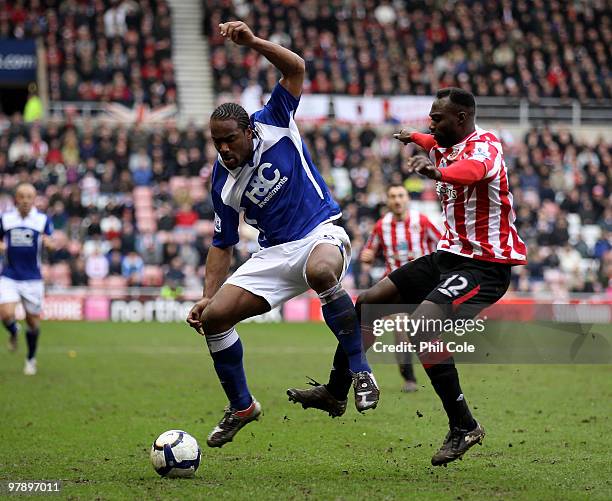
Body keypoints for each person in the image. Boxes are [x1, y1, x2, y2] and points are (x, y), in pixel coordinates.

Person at [289, 88, 527, 466]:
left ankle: (464, 425)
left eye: (438, 117)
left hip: (485, 266)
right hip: (447, 257)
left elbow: (473, 171)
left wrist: (438, 172)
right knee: (366, 303)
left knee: (421, 328)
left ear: (462, 119)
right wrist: (413, 137)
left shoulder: (485, 146)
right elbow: (432, 140)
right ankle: (335, 392)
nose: (431, 124)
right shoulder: (444, 141)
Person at [186, 21, 379, 448]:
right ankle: (242, 406)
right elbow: (222, 244)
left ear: (248, 130)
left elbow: (296, 68)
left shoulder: (274, 119)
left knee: (324, 271)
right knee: (214, 319)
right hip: (273, 254)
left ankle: (361, 371)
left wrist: (253, 42)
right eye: (216, 142)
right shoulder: (222, 181)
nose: (223, 149)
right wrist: (207, 294)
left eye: (229, 139)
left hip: (319, 232)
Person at [361, 184, 441, 392]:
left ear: (407, 199)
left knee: (426, 332)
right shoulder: (381, 226)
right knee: (401, 330)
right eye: (393, 196)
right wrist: (367, 256)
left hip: (423, 285)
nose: (397, 200)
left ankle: (440, 374)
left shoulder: (421, 221)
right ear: (388, 201)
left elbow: (442, 244)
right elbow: (369, 250)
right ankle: (409, 379)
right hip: (397, 287)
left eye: (400, 196)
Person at [0, 183, 55, 375]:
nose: (25, 200)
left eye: (29, 197)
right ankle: (14, 330)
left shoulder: (42, 220)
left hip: (32, 278)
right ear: (16, 198)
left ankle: (31, 358)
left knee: (33, 323)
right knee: (5, 314)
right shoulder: (5, 219)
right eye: (21, 196)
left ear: (34, 199)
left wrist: (50, 244)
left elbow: (51, 241)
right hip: (9, 275)